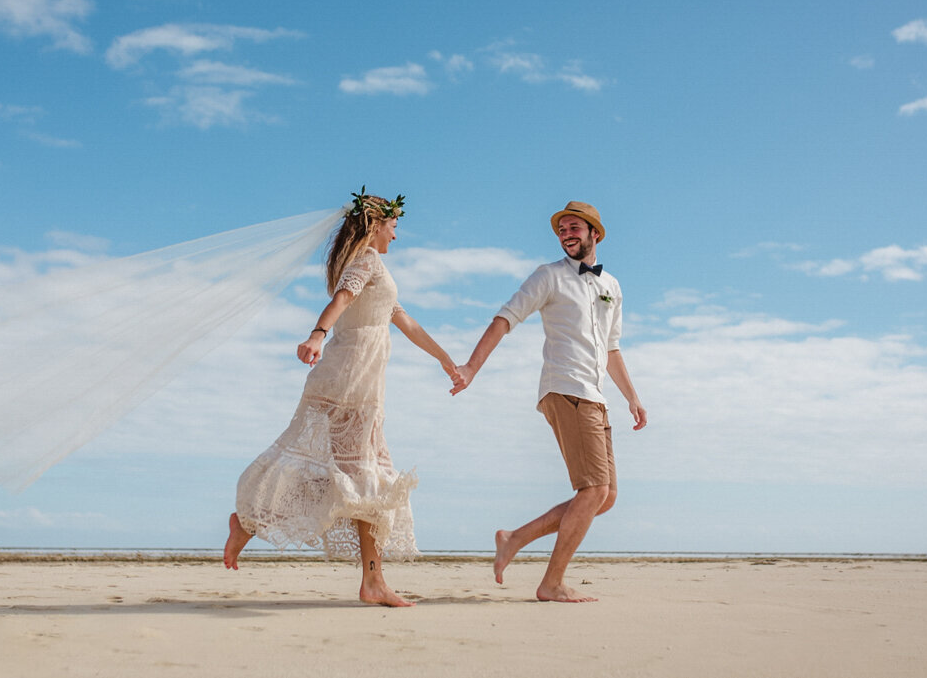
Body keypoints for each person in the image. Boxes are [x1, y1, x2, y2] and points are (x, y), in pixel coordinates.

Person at [223, 190, 463, 608]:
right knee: (363, 480)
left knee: (355, 482)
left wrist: (445, 360)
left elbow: (403, 319)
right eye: (393, 226)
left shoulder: (373, 266)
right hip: (349, 381)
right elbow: (342, 299)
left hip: (359, 383)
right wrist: (317, 334)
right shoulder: (367, 260)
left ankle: (257, 527)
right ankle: (255, 525)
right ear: (375, 225)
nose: (396, 234)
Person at [452, 201, 647, 603]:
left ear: (595, 233)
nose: (567, 235)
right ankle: (551, 583)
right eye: (562, 230)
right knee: (593, 489)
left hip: (596, 396)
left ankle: (514, 538)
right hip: (565, 388)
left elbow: (611, 349)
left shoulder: (611, 286)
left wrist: (633, 398)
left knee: (604, 497)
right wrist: (471, 367)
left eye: (574, 228)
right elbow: (504, 318)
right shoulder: (549, 277)